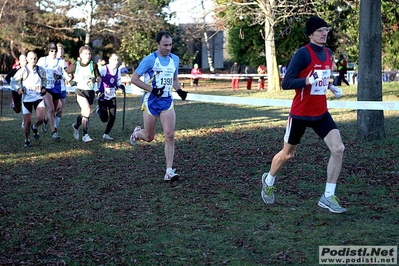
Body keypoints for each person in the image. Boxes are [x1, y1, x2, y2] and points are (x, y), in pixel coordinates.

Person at [260, 16, 346, 213]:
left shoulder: (328, 52)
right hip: (300, 113)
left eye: (326, 29)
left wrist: (332, 87)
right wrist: (307, 81)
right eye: (320, 30)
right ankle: (269, 179)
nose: (324, 33)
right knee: (288, 154)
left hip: (320, 112)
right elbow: (287, 83)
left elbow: (322, 77)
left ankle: (328, 195)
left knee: (338, 148)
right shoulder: (302, 54)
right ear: (310, 34)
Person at [129, 30, 188, 181]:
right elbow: (134, 79)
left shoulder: (174, 59)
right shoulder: (150, 60)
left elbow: (174, 78)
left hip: (167, 101)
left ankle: (169, 170)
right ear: (158, 44)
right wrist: (152, 89)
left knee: (170, 134)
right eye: (165, 45)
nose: (168, 48)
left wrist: (179, 90)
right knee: (149, 137)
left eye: (170, 45)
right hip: (151, 101)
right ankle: (137, 133)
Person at [10, 51, 47, 148]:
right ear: (27, 59)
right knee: (27, 122)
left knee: (41, 118)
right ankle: (27, 140)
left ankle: (34, 127)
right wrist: (18, 89)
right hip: (26, 99)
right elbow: (13, 82)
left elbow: (44, 79)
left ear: (37, 59)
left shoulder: (40, 69)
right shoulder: (23, 70)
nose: (33, 60)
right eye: (31, 58)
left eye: (35, 58)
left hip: (38, 97)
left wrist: (43, 87)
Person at [65, 45, 101, 143]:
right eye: (85, 54)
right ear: (80, 55)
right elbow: (65, 71)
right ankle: (85, 135)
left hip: (90, 92)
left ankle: (75, 126)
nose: (88, 56)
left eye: (89, 54)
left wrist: (95, 79)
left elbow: (99, 78)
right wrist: (69, 80)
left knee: (85, 113)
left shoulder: (93, 65)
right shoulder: (76, 65)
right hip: (80, 91)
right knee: (87, 110)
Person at [37, 42, 68, 140]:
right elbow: (36, 70)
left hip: (57, 88)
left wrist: (61, 76)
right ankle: (54, 132)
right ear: (48, 51)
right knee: (50, 109)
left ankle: (46, 120)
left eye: (55, 51)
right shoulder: (43, 60)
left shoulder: (61, 62)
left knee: (57, 108)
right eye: (51, 51)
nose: (53, 53)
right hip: (46, 88)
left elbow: (67, 74)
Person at [96, 53, 125, 140]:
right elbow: (97, 79)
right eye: (114, 60)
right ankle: (98, 110)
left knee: (113, 116)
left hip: (112, 96)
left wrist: (121, 86)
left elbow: (118, 81)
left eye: (117, 60)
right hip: (102, 96)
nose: (116, 62)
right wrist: (97, 90)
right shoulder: (103, 69)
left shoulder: (118, 70)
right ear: (110, 60)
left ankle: (106, 134)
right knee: (104, 119)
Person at [54, 42, 71, 131]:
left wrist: (69, 78)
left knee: (60, 110)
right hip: (53, 88)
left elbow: (67, 74)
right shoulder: (51, 61)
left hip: (62, 88)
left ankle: (55, 126)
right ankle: (49, 122)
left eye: (62, 49)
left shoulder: (63, 62)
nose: (60, 51)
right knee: (56, 107)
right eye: (58, 49)